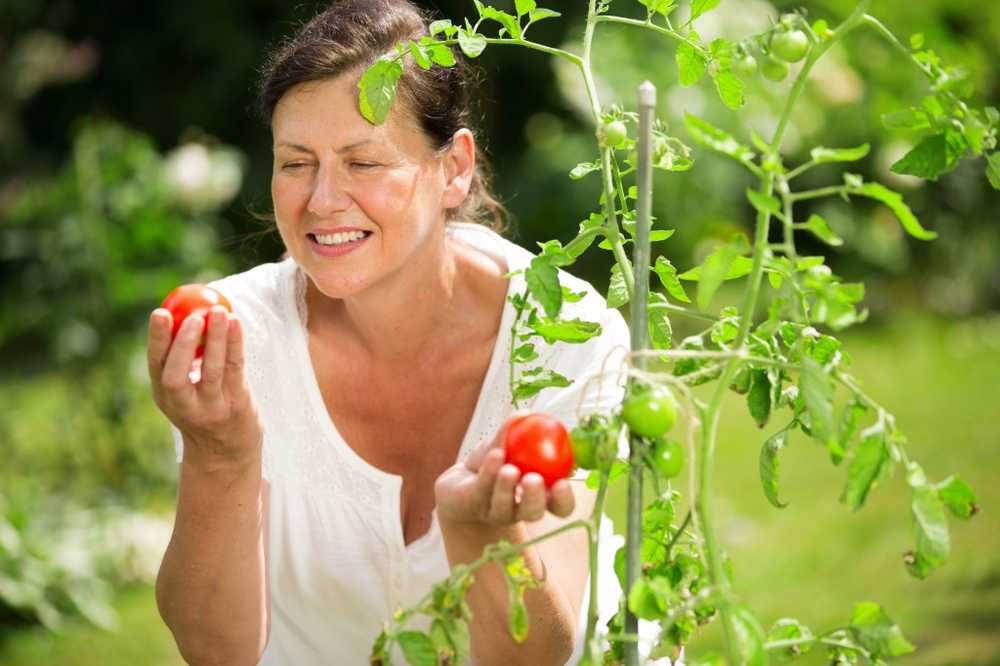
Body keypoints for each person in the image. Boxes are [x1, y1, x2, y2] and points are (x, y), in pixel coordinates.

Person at [147, 0, 633, 663]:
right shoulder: (235, 338)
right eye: (296, 162)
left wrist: (483, 537)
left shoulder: (563, 335)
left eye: (363, 162)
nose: (321, 200)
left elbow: (541, 652)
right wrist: (219, 456)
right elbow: (215, 651)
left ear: (454, 168)